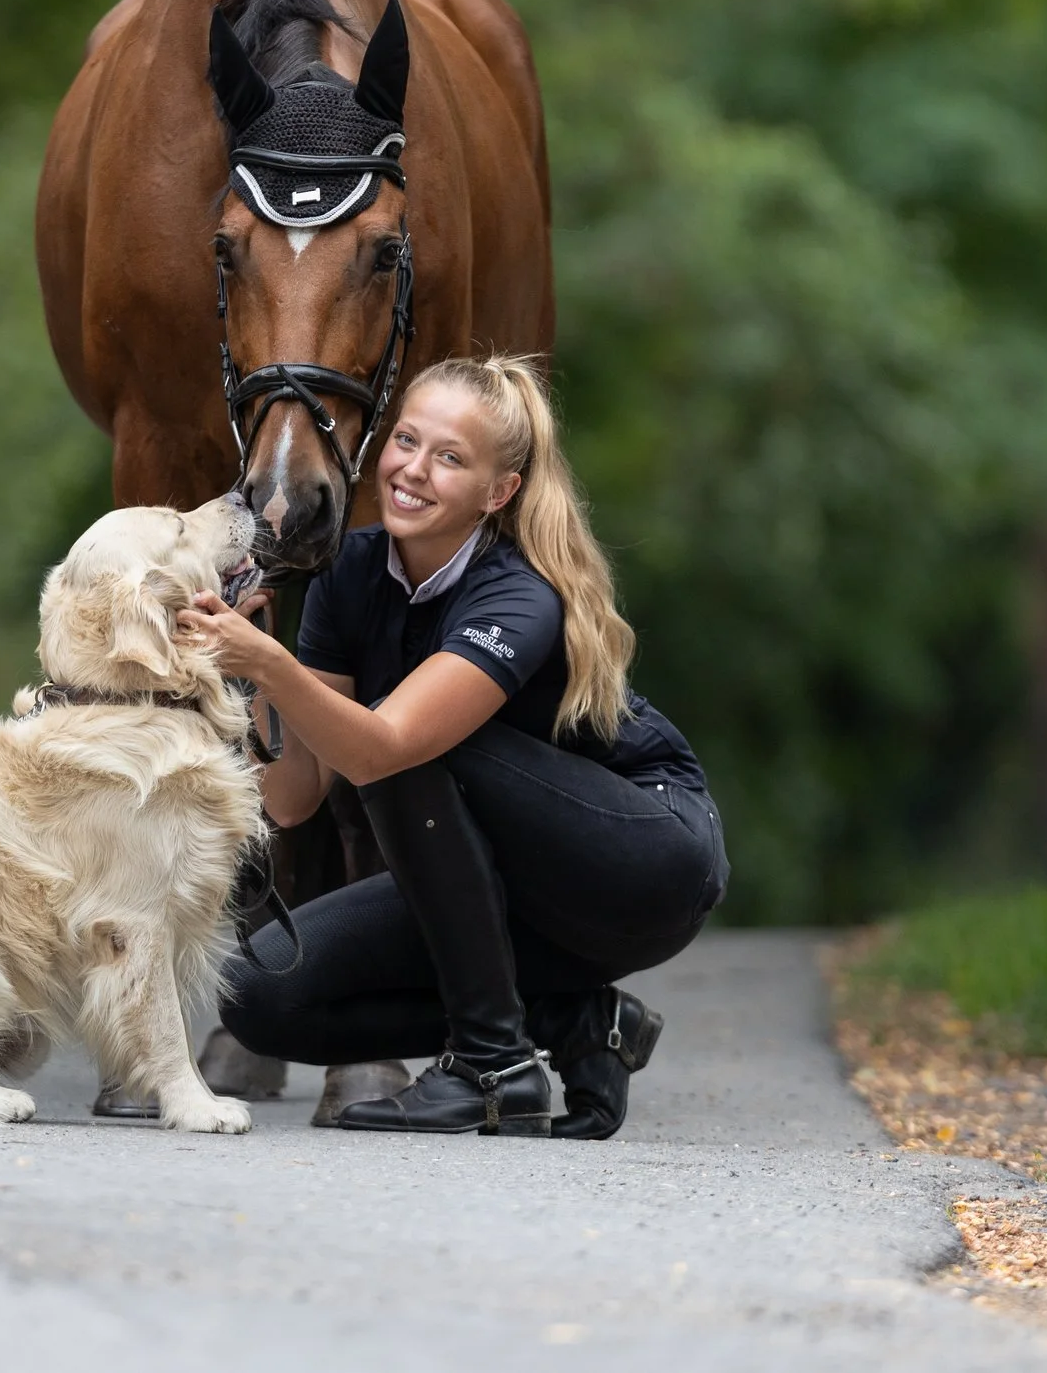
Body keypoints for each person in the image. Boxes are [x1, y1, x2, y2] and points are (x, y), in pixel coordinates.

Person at [175, 354, 728, 1137]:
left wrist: (271, 663)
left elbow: (383, 749)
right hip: (497, 880)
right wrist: (253, 668)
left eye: (450, 458)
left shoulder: (520, 591)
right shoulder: (348, 573)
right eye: (406, 440)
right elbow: (292, 798)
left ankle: (490, 1064)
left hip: (642, 859)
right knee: (259, 993)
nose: (413, 469)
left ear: (497, 492)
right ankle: (576, 1022)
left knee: (404, 739)